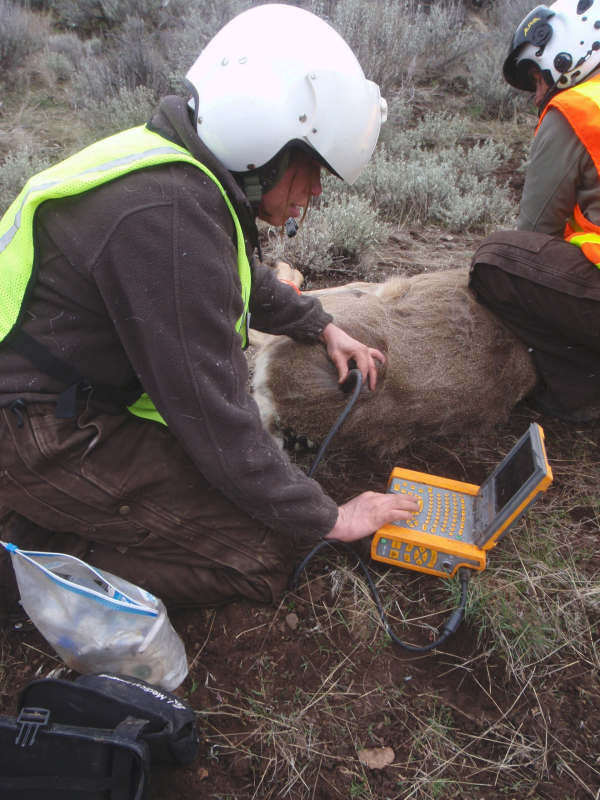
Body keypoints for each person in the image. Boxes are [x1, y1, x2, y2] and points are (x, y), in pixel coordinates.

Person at [0, 4, 417, 610]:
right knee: (263, 556)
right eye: (311, 168)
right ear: (264, 143)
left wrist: (321, 324)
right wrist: (330, 517)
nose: (316, 192)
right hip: (41, 435)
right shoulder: (165, 219)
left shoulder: (173, 174)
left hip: (50, 405)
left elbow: (231, 278)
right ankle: (26, 573)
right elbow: (217, 423)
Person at [469, 0, 600, 422]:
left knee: (498, 260)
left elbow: (535, 232)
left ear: (565, 52)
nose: (539, 95)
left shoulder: (576, 110)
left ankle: (582, 391)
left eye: (537, 77)